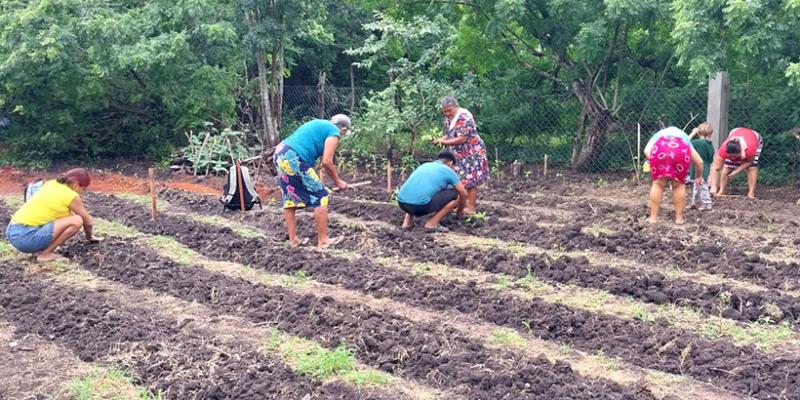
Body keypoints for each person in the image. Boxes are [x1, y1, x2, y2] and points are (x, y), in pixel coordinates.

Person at [274, 114, 350, 248]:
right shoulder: (334, 131)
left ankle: (293, 240)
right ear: (343, 130)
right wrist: (338, 182)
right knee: (321, 196)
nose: (341, 137)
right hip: (293, 156)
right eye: (343, 134)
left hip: (281, 152)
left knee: (290, 197)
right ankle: (323, 241)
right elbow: (327, 162)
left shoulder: (321, 125)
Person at [5, 168, 103, 263]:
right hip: (25, 237)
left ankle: (38, 249)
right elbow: (88, 222)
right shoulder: (70, 195)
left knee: (70, 218)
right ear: (76, 185)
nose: (82, 192)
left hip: (12, 231)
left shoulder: (52, 184)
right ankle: (46, 254)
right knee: (77, 220)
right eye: (83, 189)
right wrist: (89, 237)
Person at [434, 96, 489, 215]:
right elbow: (448, 134)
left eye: (449, 110)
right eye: (445, 111)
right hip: (457, 153)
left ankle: (471, 207)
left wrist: (443, 143)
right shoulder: (448, 119)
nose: (447, 113)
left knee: (470, 179)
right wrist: (439, 140)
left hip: (471, 152)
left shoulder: (464, 117)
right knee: (458, 178)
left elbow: (462, 138)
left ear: (456, 107)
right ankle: (459, 204)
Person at [643, 127, 705, 225]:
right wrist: (698, 176)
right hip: (680, 152)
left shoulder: (658, 135)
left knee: (658, 184)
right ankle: (679, 219)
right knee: (678, 185)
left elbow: (647, 150)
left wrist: (657, 161)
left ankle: (653, 218)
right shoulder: (684, 138)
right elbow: (700, 162)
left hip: (660, 150)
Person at [397, 150, 468, 233]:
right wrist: (460, 211)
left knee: (416, 193)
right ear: (450, 163)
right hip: (420, 206)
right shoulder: (448, 170)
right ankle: (431, 224)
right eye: (453, 166)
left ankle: (407, 224)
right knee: (455, 194)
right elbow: (463, 193)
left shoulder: (425, 166)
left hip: (402, 203)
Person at [708, 127, 763, 199]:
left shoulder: (750, 149)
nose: (733, 158)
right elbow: (715, 168)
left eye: (735, 156)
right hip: (735, 131)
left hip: (753, 138)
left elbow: (749, 162)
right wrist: (713, 187)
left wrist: (736, 172)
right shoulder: (723, 150)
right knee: (728, 166)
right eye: (730, 156)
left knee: (752, 168)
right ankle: (721, 191)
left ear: (740, 152)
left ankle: (751, 193)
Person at [687, 123, 716, 210]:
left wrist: (693, 133)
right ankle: (695, 203)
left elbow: (685, 141)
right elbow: (711, 159)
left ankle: (707, 204)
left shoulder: (697, 143)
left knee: (701, 187)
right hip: (705, 167)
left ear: (698, 133)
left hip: (696, 168)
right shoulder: (710, 145)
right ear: (711, 134)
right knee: (698, 186)